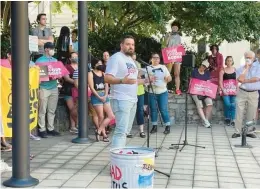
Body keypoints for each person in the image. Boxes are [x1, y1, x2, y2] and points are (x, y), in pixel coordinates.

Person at [105, 35, 142, 148]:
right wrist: (122, 80)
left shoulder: (130, 60)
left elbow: (132, 81)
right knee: (120, 132)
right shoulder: (116, 58)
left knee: (125, 131)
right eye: (128, 44)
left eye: (132, 44)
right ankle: (117, 161)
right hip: (121, 99)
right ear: (122, 45)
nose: (131, 47)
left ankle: (120, 157)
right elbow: (107, 78)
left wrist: (145, 80)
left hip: (132, 100)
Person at [232, 51, 260, 138]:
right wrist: (246, 68)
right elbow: (240, 79)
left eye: (250, 57)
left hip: (254, 93)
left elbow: (256, 79)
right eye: (246, 57)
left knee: (251, 113)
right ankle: (237, 131)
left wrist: (245, 80)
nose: (248, 59)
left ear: (253, 58)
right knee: (239, 112)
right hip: (242, 92)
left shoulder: (258, 67)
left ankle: (249, 131)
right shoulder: (240, 68)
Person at [36, 42, 61, 138]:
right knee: (42, 109)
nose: (52, 50)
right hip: (43, 88)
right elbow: (39, 75)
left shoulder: (55, 60)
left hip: (54, 87)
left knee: (52, 109)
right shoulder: (39, 61)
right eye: (51, 49)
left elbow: (58, 72)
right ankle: (42, 129)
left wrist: (58, 75)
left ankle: (50, 128)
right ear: (46, 49)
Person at [88, 59, 115, 142]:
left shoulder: (103, 73)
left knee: (111, 116)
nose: (100, 65)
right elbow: (92, 87)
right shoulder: (90, 73)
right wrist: (99, 97)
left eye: (101, 63)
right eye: (98, 63)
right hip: (96, 96)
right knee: (101, 116)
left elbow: (107, 85)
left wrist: (106, 95)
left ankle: (98, 131)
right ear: (94, 64)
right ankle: (104, 135)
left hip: (105, 95)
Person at [145, 53, 172, 134]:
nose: (156, 59)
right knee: (153, 110)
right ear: (151, 59)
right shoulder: (147, 68)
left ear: (159, 59)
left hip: (162, 92)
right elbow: (145, 80)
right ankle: (154, 126)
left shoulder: (163, 67)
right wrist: (149, 81)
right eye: (154, 58)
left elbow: (170, 78)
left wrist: (167, 78)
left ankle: (167, 126)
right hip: (151, 92)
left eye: (158, 58)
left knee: (163, 109)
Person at [72, 69, 99, 136]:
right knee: (76, 111)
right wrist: (85, 90)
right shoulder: (77, 71)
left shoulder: (92, 71)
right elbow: (76, 84)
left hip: (92, 94)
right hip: (81, 95)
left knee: (94, 112)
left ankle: (99, 129)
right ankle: (79, 126)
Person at [191, 60, 213, 128]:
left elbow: (208, 83)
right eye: (203, 65)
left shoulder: (207, 73)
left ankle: (206, 120)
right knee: (199, 104)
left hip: (204, 91)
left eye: (205, 67)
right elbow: (191, 81)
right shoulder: (194, 71)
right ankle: (205, 121)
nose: (203, 67)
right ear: (201, 64)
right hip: (195, 91)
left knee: (210, 103)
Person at [63, 52, 79, 133]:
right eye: (73, 57)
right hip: (68, 90)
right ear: (69, 58)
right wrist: (77, 83)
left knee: (76, 108)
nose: (75, 58)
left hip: (78, 90)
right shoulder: (66, 67)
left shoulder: (81, 66)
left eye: (76, 56)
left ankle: (74, 126)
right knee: (72, 108)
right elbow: (66, 78)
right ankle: (75, 125)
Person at [219, 56, 237, 126]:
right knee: (227, 104)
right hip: (225, 91)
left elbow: (237, 81)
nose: (229, 62)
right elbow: (220, 82)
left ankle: (232, 119)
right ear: (226, 62)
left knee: (233, 105)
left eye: (230, 60)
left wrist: (237, 90)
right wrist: (223, 90)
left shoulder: (235, 70)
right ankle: (227, 118)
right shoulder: (222, 70)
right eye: (228, 60)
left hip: (233, 90)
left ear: (232, 62)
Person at [166, 21, 182, 95]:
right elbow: (165, 44)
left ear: (178, 29)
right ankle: (164, 88)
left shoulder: (179, 36)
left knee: (177, 73)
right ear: (171, 28)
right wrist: (169, 36)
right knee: (167, 72)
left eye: (176, 27)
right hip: (169, 55)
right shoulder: (168, 34)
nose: (174, 28)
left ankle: (177, 89)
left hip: (177, 55)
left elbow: (179, 46)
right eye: (173, 27)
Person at [132, 53, 146, 138]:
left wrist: (141, 77)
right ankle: (128, 131)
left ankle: (141, 130)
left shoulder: (138, 64)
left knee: (140, 110)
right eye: (132, 58)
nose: (134, 60)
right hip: (130, 92)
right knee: (130, 111)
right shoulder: (126, 65)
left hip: (140, 91)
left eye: (134, 58)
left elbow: (142, 78)